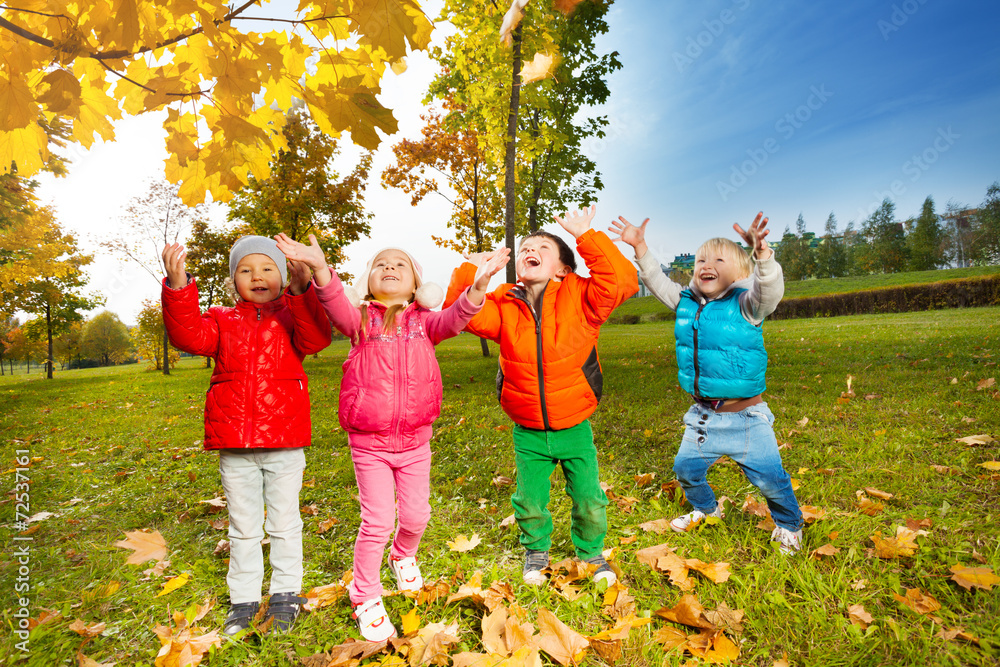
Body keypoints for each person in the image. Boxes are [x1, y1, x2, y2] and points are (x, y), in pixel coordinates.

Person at [275, 233, 509, 642]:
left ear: (416, 285)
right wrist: (319, 268)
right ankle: (364, 594)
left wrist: (479, 284)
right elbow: (334, 304)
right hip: (371, 444)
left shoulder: (426, 323)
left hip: (416, 442)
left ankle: (403, 555)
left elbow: (457, 317)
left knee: (418, 517)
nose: (389, 268)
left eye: (399, 264)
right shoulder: (360, 321)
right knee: (378, 520)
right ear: (367, 281)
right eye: (381, 263)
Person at [444, 206, 638, 586]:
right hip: (528, 429)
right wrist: (474, 273)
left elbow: (621, 282)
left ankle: (592, 552)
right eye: (525, 247)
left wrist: (586, 237)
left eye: (542, 247)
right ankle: (536, 550)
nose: (529, 249)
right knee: (530, 500)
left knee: (588, 497)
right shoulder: (503, 302)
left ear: (563, 269)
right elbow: (462, 314)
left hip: (574, 424)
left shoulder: (582, 297)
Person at [160, 235, 332, 636]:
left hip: (284, 443)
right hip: (235, 445)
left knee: (285, 523)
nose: (258, 276)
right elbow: (187, 337)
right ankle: (244, 599)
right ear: (233, 279)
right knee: (243, 526)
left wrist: (303, 289)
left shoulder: (292, 314)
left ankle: (286, 592)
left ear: (282, 274)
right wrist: (178, 284)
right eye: (246, 270)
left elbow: (317, 338)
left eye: (268, 268)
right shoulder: (220, 320)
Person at [609, 213, 804, 554]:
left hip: (747, 417)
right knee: (685, 469)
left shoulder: (748, 304)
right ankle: (706, 509)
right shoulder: (686, 302)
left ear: (742, 273)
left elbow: (770, 289)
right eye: (700, 259)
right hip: (703, 416)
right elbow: (656, 280)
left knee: (772, 480)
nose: (705, 264)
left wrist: (763, 256)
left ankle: (789, 525)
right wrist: (640, 247)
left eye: (717, 259)